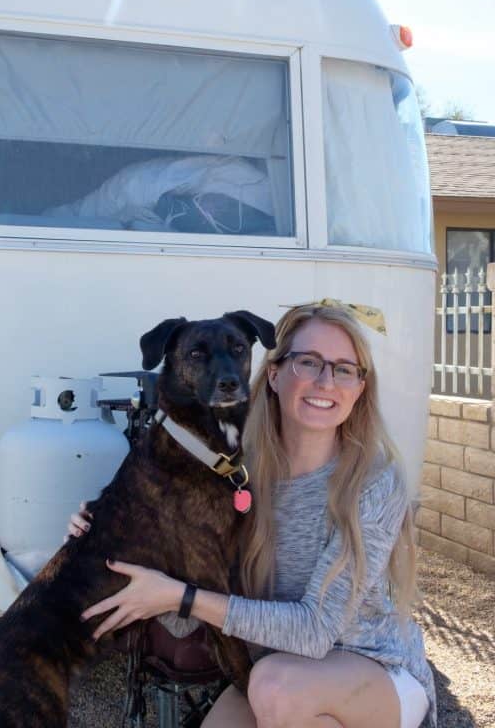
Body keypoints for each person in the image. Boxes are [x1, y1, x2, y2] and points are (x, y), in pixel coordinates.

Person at [71, 301, 436, 728]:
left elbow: (316, 631)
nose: (325, 381)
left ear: (360, 387)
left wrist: (182, 596)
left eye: (344, 369)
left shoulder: (372, 481)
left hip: (375, 673)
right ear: (275, 373)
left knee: (274, 688)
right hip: (276, 674)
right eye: (309, 362)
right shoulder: (232, 475)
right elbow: (187, 617)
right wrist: (112, 540)